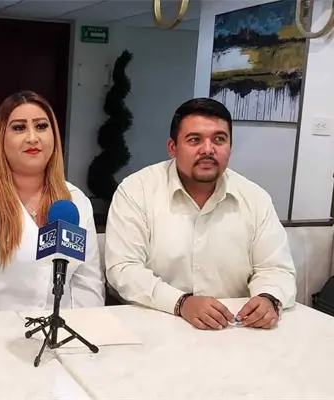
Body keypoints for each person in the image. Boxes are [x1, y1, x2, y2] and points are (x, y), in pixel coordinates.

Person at [104, 98, 296, 330]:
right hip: (154, 326)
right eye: (194, 140)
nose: (208, 149)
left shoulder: (255, 198)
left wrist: (268, 297)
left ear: (230, 147)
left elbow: (276, 268)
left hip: (234, 330)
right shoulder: (137, 190)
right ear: (172, 148)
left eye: (219, 139)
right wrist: (180, 303)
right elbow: (123, 269)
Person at [0, 90, 105, 313]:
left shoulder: (76, 201)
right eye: (19, 128)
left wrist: (78, 327)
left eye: (41, 126)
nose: (32, 138)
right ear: (0, 138)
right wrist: (6, 330)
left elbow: (88, 284)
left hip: (64, 330)